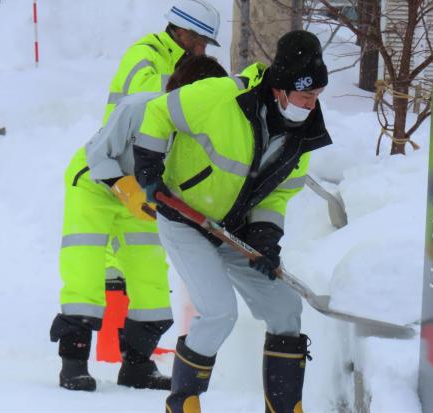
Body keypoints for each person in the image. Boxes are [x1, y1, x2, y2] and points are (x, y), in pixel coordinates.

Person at [132, 30, 333, 413]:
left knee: (285, 308)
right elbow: (160, 112)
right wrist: (148, 167)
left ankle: (285, 406)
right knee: (219, 312)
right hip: (185, 218)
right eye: (305, 95)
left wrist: (265, 235)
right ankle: (184, 403)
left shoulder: (305, 134)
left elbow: (278, 193)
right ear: (279, 89)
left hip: (237, 230)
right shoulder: (222, 96)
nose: (311, 105)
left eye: (317, 96)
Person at [50, 55, 228, 393]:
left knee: (151, 280)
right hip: (95, 184)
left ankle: (137, 366)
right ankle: (73, 364)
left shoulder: (203, 129)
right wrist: (124, 187)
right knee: (85, 271)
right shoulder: (138, 108)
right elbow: (98, 154)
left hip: (144, 197)